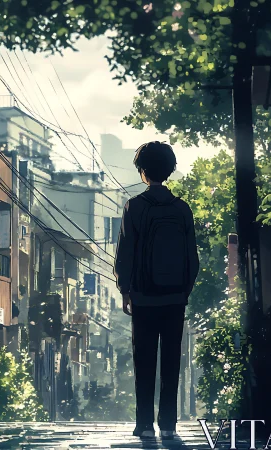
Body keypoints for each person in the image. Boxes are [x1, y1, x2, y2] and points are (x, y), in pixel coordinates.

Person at [114, 141, 199, 440]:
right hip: (175, 297)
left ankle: (143, 424)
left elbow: (125, 252)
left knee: (145, 361)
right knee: (171, 361)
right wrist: (183, 291)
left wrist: (125, 289)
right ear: (170, 170)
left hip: (144, 297)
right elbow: (192, 257)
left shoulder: (134, 206)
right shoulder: (182, 210)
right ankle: (168, 423)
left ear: (143, 171)